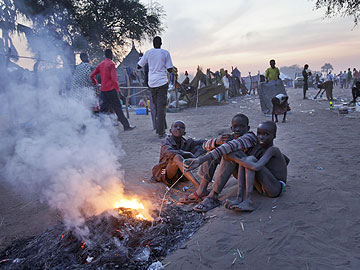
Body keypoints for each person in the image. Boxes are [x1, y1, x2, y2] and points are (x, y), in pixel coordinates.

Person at [182, 114, 262, 211]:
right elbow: (204, 146)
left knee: (228, 152)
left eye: (241, 126)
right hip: (241, 171)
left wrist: (200, 160)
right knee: (216, 148)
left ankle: (213, 196)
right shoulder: (232, 137)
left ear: (247, 128)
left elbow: (231, 146)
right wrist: (217, 141)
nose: (237, 129)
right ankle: (202, 189)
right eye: (235, 127)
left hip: (253, 175)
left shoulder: (250, 137)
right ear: (231, 128)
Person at [224, 121, 289, 212]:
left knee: (249, 160)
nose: (261, 137)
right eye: (259, 134)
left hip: (275, 189)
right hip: (263, 187)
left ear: (274, 136)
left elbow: (256, 167)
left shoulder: (273, 150)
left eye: (266, 134)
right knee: (245, 160)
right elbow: (287, 160)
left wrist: (234, 158)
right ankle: (239, 198)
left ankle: (249, 201)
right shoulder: (260, 147)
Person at [137, 36, 173, 138]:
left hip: (152, 84)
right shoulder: (165, 53)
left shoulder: (148, 53)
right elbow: (170, 69)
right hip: (162, 83)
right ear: (161, 43)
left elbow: (139, 66)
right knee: (161, 107)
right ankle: (161, 132)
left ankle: (161, 127)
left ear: (153, 44)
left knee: (157, 107)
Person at [91, 49, 135, 130]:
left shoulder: (101, 64)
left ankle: (98, 127)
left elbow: (92, 75)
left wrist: (95, 82)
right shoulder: (111, 64)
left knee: (103, 110)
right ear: (111, 55)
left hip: (103, 91)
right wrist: (118, 91)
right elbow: (114, 80)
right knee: (118, 108)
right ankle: (126, 126)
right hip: (111, 90)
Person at [152, 120, 205, 187]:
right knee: (177, 157)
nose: (178, 128)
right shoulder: (166, 141)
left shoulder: (187, 142)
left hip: (180, 174)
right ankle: (199, 187)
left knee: (202, 147)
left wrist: (216, 141)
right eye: (175, 126)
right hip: (166, 172)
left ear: (184, 133)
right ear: (170, 130)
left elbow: (202, 142)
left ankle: (199, 186)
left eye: (181, 127)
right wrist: (187, 153)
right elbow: (168, 152)